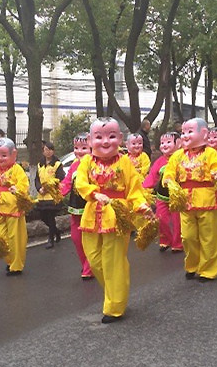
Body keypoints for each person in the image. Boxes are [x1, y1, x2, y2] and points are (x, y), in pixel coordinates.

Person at [75, 117, 152, 323]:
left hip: (118, 216)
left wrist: (141, 206)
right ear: (90, 140)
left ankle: (114, 306)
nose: (105, 141)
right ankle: (114, 291)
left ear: (119, 138)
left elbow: (134, 189)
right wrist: (93, 193)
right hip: (92, 214)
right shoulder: (86, 162)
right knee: (94, 258)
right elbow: (80, 183)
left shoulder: (125, 162)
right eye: (99, 137)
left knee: (114, 261)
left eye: (111, 136)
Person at [163, 118, 217, 282]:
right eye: (183, 132)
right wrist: (169, 180)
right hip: (185, 201)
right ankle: (192, 265)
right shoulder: (177, 155)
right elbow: (169, 171)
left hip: (207, 200)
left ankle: (208, 270)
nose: (185, 136)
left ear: (203, 134)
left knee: (209, 237)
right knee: (188, 237)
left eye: (190, 131)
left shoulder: (210, 153)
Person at [0, 138, 29, 276]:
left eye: (3, 155)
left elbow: (23, 185)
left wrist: (16, 190)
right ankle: (9, 260)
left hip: (13, 208)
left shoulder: (17, 170)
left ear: (13, 154)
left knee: (16, 237)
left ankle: (16, 264)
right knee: (0, 236)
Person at [60, 133, 93, 279]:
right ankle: (86, 264)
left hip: (90, 208)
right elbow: (66, 183)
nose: (79, 151)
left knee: (90, 238)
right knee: (75, 237)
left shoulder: (95, 165)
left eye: (84, 148)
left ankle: (89, 267)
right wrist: (54, 192)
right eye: (76, 148)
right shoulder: (74, 165)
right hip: (75, 208)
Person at [143, 132, 182, 252]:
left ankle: (178, 244)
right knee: (161, 219)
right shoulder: (159, 161)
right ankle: (165, 240)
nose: (164, 145)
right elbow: (151, 177)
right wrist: (142, 190)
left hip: (178, 197)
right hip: (162, 196)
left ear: (179, 143)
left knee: (178, 222)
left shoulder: (182, 158)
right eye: (162, 143)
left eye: (168, 142)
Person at [35, 141, 65, 249]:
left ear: (53, 151)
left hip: (52, 196)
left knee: (50, 217)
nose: (48, 152)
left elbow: (61, 178)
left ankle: (51, 239)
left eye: (50, 150)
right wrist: (39, 188)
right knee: (43, 217)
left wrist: (50, 187)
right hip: (42, 196)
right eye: (46, 150)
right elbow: (37, 179)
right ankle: (57, 231)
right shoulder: (40, 165)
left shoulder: (57, 164)